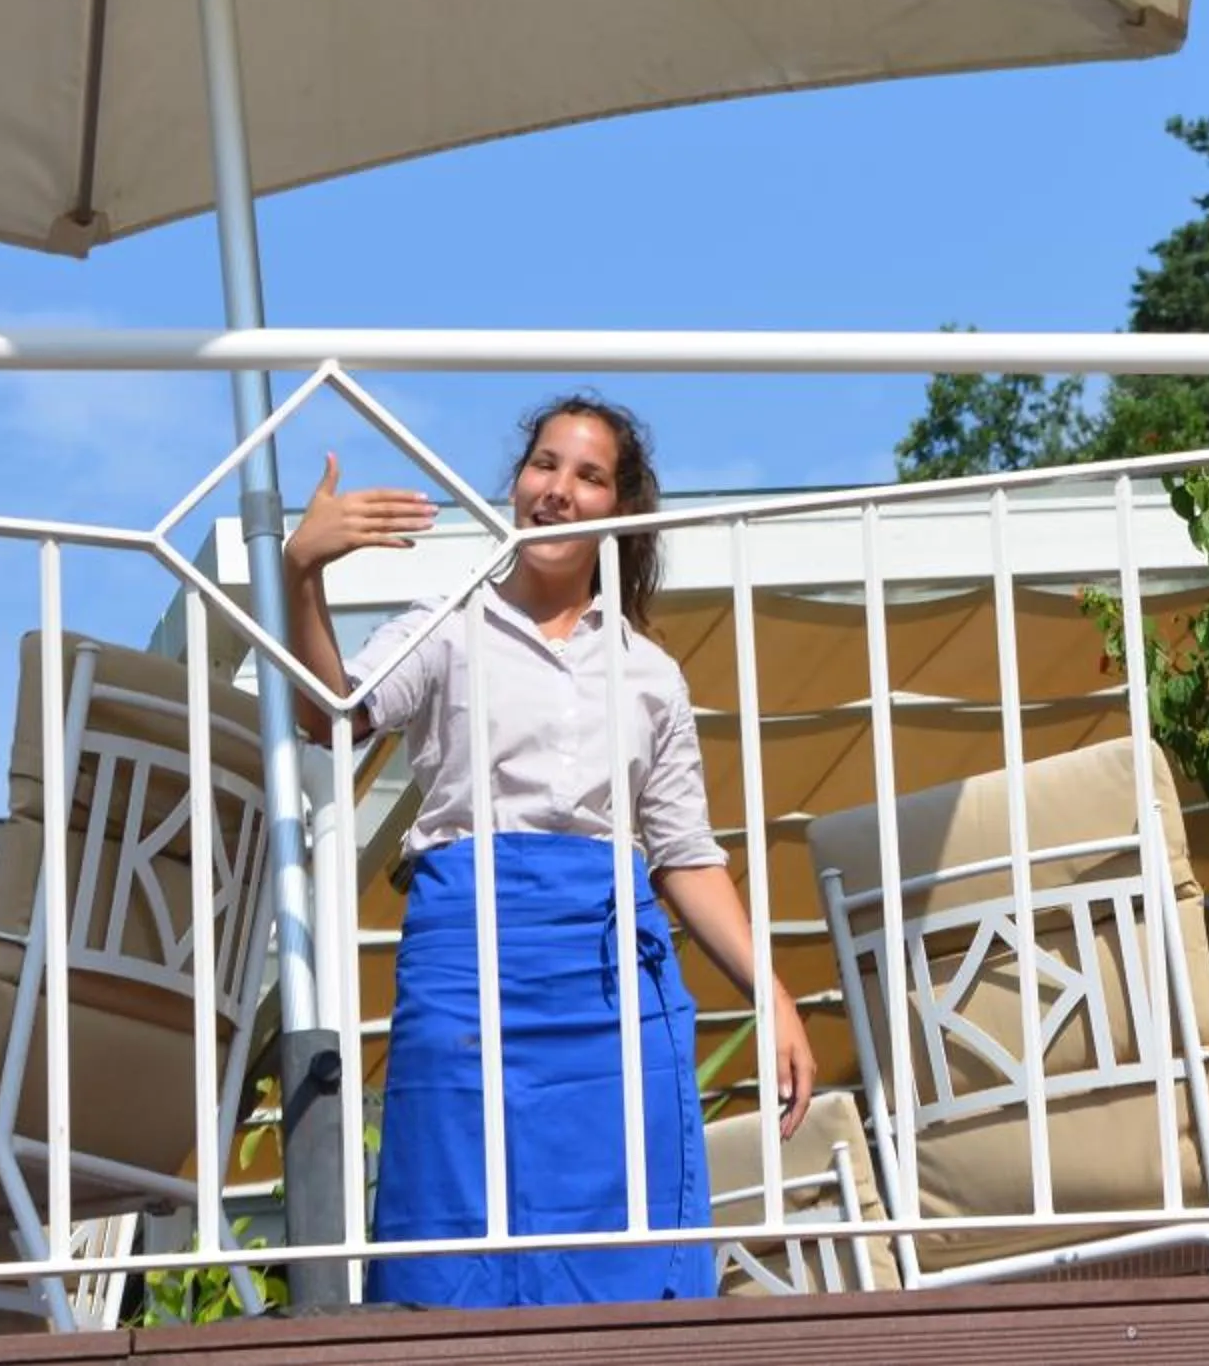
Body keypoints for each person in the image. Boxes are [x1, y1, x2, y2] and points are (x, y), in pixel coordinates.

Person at [284, 394, 815, 1309]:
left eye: (588, 475)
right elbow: (333, 714)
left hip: (612, 972)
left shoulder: (649, 673)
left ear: (621, 510)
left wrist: (770, 995)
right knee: (455, 1213)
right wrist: (302, 572)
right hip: (468, 958)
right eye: (543, 465)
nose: (558, 490)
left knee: (630, 1232)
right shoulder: (447, 624)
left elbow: (685, 854)